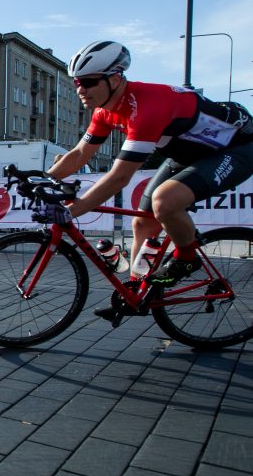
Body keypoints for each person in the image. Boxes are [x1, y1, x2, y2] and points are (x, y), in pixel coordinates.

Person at [41, 40, 253, 292]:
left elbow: (120, 177)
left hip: (236, 147)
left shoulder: (146, 107)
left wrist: (75, 210)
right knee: (142, 223)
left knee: (165, 201)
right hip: (188, 154)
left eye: (88, 82)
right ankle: (136, 287)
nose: (80, 89)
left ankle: (186, 258)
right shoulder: (104, 111)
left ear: (116, 79)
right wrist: (41, 179)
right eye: (77, 82)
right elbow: (79, 155)